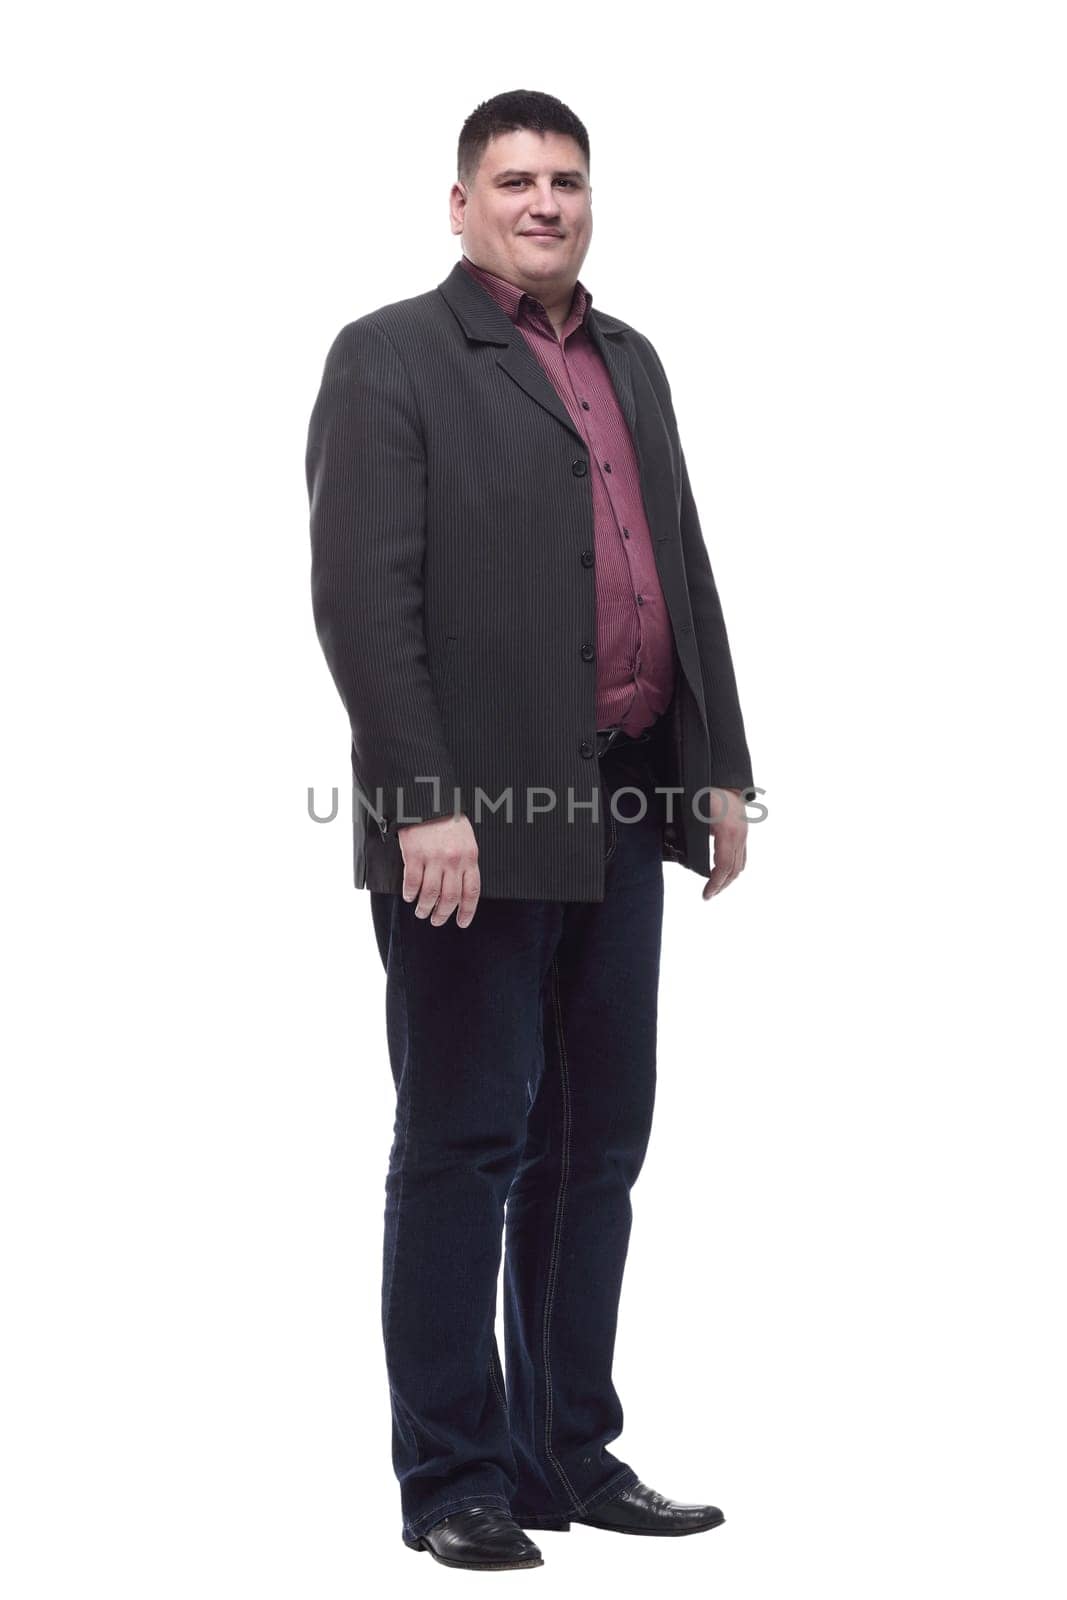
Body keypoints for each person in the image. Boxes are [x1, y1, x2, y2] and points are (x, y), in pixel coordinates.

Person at [305, 89, 755, 1573]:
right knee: (463, 1140)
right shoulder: (392, 358)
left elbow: (674, 566)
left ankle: (570, 1447)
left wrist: (719, 769)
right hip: (474, 825)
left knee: (596, 1143)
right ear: (461, 203)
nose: (545, 202)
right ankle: (454, 1478)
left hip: (623, 800)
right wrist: (424, 799)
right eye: (515, 180)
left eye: (566, 179)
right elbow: (365, 603)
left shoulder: (632, 360)